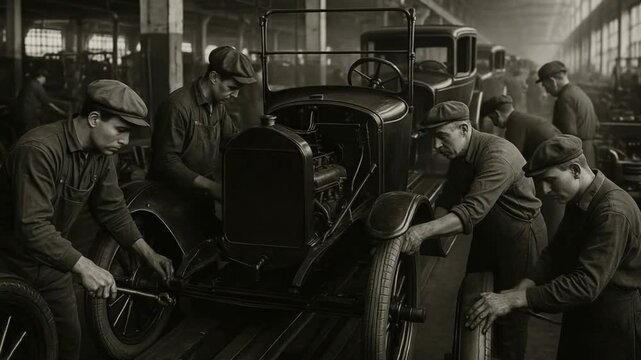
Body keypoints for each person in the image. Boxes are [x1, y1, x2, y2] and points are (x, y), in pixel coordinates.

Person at [0, 79, 174, 360]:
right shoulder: (39, 150)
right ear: (94, 118)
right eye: (120, 130)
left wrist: (147, 253)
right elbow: (32, 227)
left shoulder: (101, 155)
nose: (125, 141)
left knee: (68, 340)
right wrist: (85, 266)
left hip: (49, 261)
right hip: (8, 260)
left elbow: (112, 208)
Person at [464, 134, 641, 360]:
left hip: (612, 325)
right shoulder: (580, 198)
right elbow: (556, 252)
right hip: (582, 314)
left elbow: (585, 285)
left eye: (551, 180)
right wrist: (526, 284)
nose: (545, 190)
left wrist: (517, 299)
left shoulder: (613, 212)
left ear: (575, 170)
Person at [402, 101, 547, 360]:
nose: (436, 146)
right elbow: (448, 199)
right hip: (489, 232)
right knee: (472, 299)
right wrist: (431, 238)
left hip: (519, 239)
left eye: (442, 137)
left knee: (507, 319)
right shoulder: (461, 154)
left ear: (464, 128)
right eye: (433, 138)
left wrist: (421, 232)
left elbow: (470, 212)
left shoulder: (497, 156)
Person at [148, 46, 256, 214]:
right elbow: (166, 161)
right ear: (214, 77)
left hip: (201, 194)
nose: (235, 95)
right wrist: (212, 187)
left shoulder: (218, 106)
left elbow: (232, 141)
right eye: (232, 87)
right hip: (170, 198)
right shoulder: (177, 106)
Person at [481, 95, 564, 239]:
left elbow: (512, 161)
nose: (495, 124)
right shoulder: (520, 118)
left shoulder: (514, 123)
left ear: (496, 114)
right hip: (557, 165)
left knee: (548, 220)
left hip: (553, 171)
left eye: (494, 120)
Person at [537, 61, 598, 167]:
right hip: (588, 152)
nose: (546, 91)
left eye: (545, 85)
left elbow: (568, 137)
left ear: (552, 81)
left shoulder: (565, 98)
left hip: (578, 157)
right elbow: (597, 124)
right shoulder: (577, 91)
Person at [16, 68, 67, 135]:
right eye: (45, 78)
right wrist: (60, 111)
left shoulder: (30, 83)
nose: (45, 80)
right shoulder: (37, 86)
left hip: (21, 112)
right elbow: (48, 102)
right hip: (31, 115)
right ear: (41, 77)